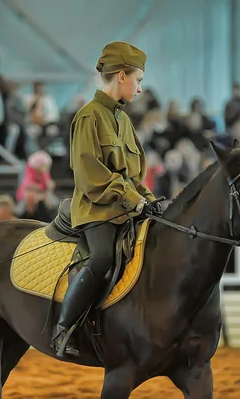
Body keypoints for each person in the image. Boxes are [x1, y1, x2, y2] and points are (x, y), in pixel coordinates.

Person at [51, 41, 163, 356]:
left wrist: (149, 198)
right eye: (138, 80)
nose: (140, 89)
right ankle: (64, 329)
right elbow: (89, 175)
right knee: (102, 258)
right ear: (121, 75)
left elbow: (133, 176)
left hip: (125, 208)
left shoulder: (123, 120)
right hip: (96, 211)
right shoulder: (89, 117)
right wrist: (130, 197)